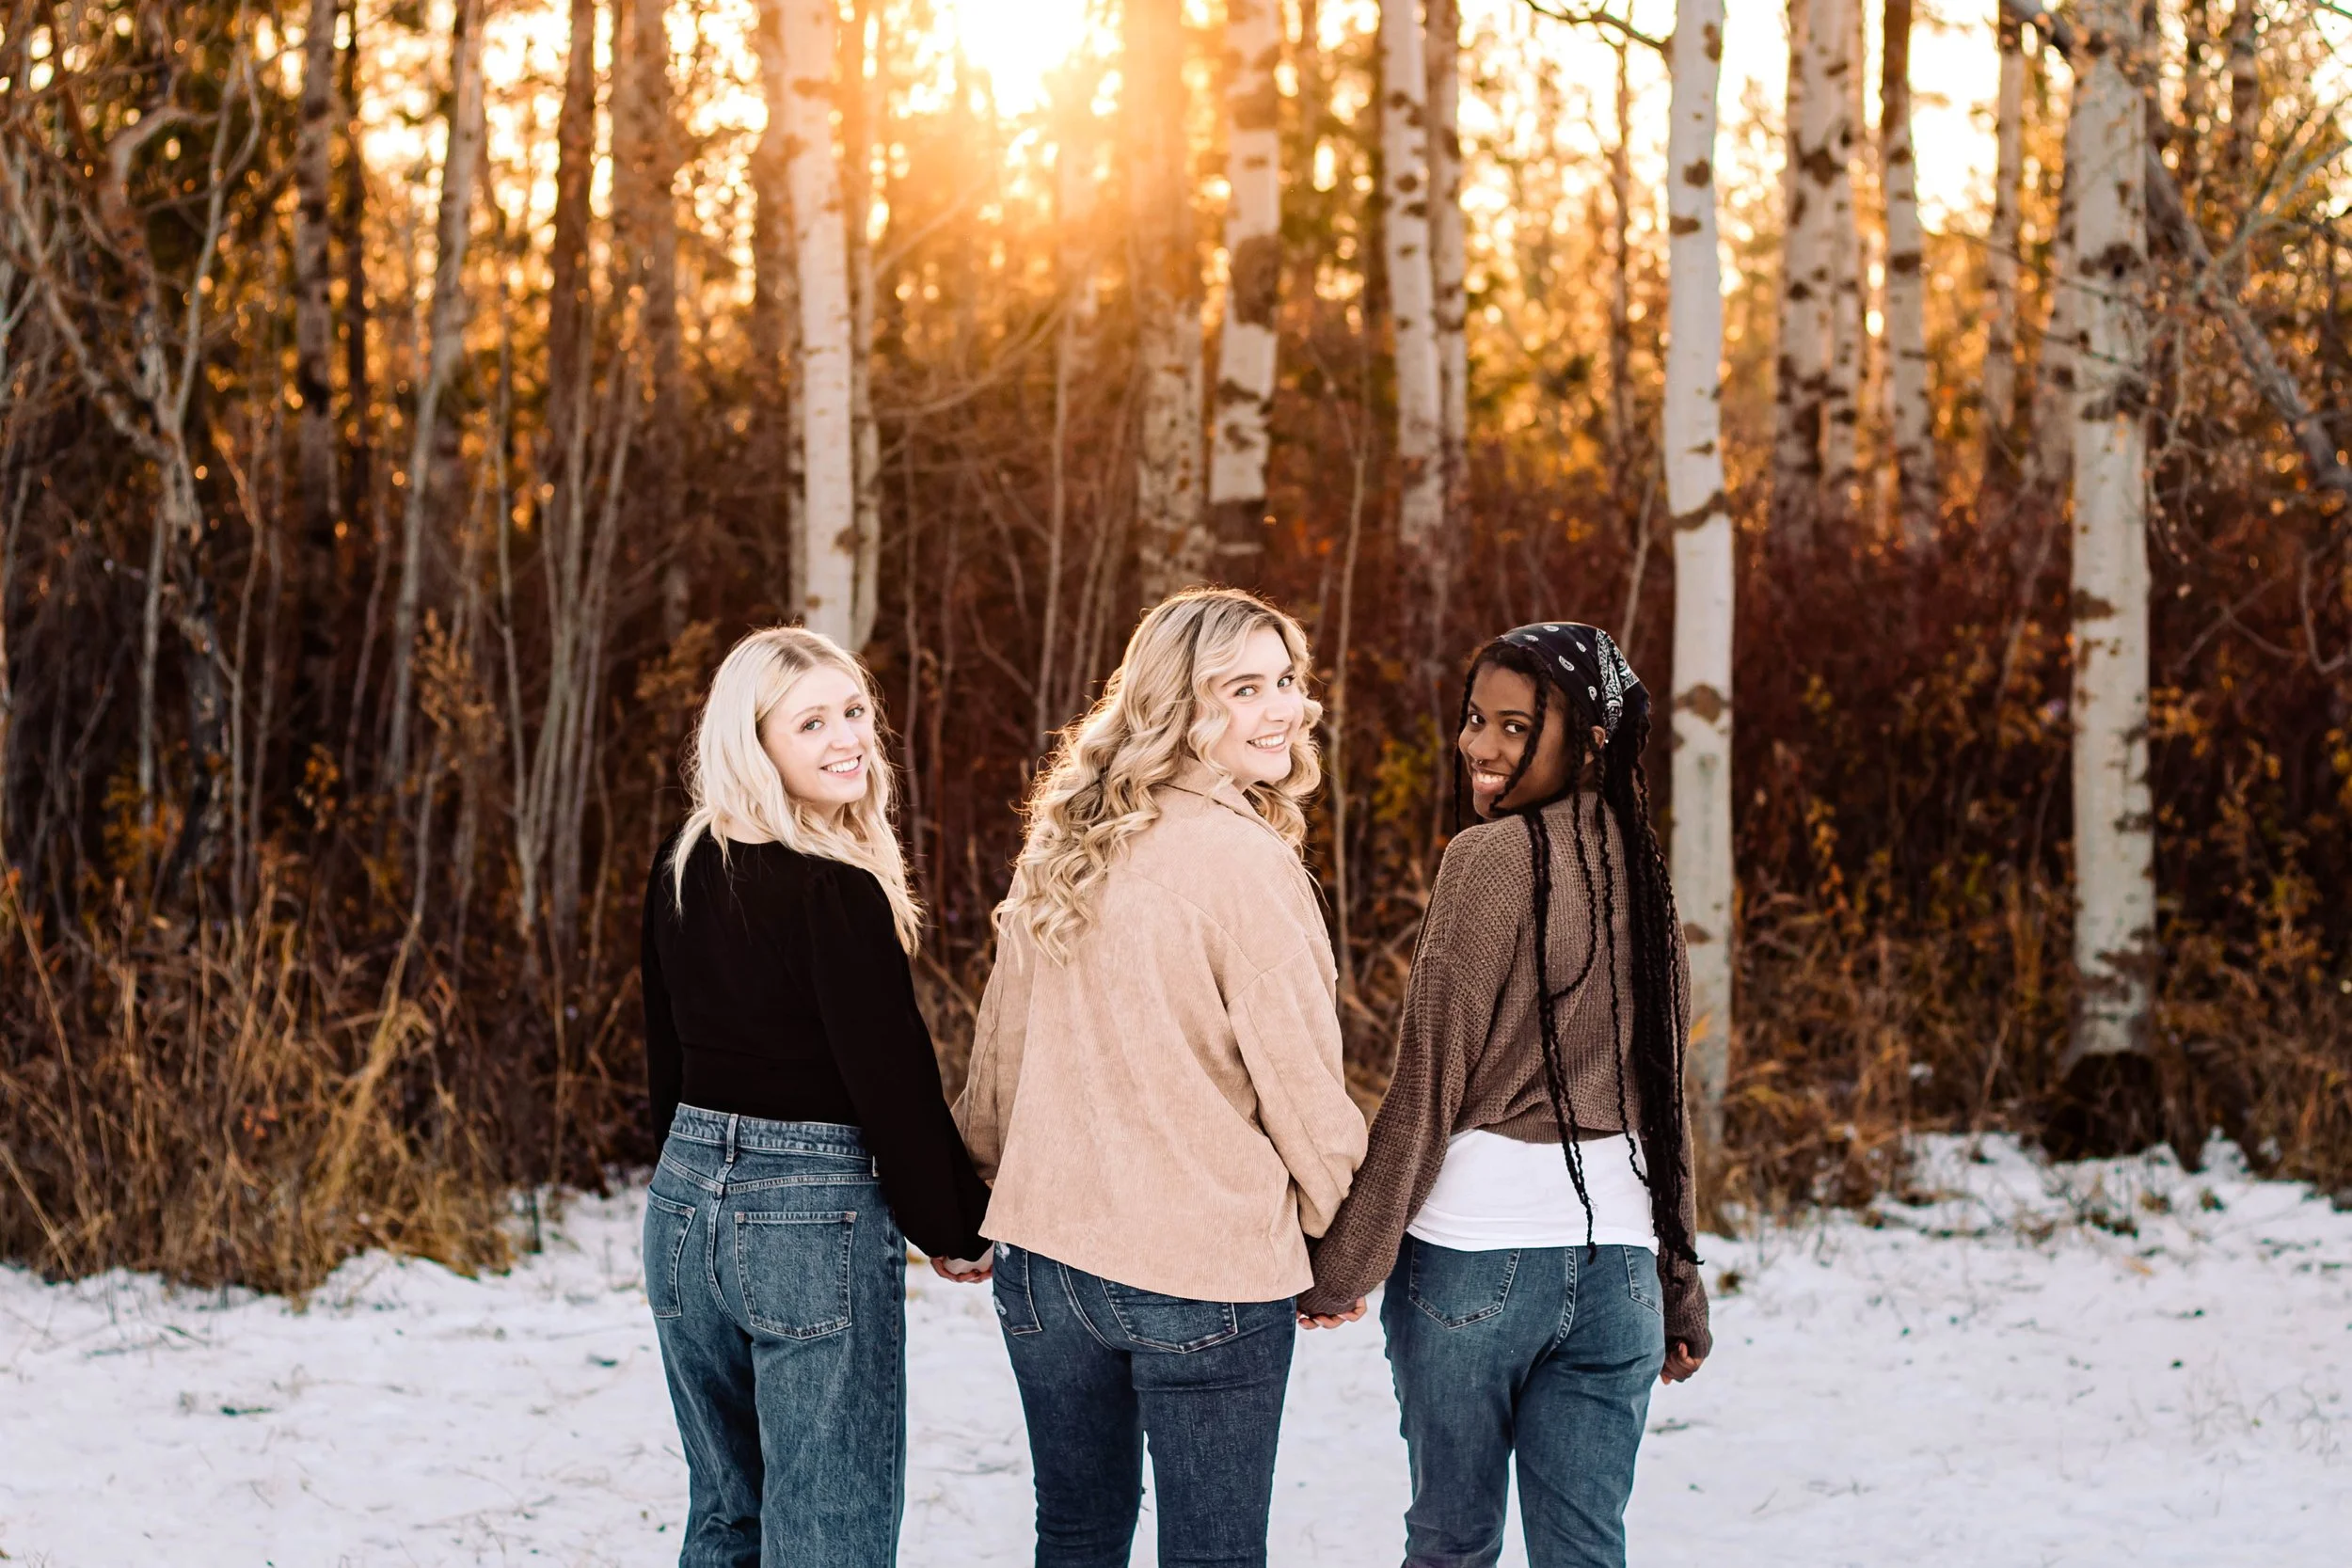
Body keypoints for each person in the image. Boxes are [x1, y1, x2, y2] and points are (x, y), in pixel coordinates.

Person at [956, 587, 1369, 1568]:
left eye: (1286, 681)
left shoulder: (1061, 845)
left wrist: (975, 1196)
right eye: (1243, 688)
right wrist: (1343, 1239)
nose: (1283, 710)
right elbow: (1304, 1090)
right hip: (1205, 1276)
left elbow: (997, 1055)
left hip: (1047, 1268)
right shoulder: (1250, 865)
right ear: (1177, 707)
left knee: (1077, 1536)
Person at [1296, 622, 1710, 1568]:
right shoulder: (1641, 872)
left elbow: (1425, 1086)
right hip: (1617, 1273)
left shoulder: (1486, 861)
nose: (1480, 745)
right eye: (1475, 718)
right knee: (1584, 1550)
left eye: (1516, 726)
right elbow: (1667, 1105)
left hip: (1473, 1269)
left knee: (1451, 1541)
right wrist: (1678, 1287)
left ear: (1589, 737)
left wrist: (1340, 1266)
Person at [639, 626, 992, 1568]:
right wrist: (956, 1225)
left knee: (727, 1511)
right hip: (805, 1217)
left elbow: (665, 1064)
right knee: (828, 1526)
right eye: (812, 723)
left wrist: (688, 1183)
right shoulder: (836, 890)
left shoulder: (682, 861)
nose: (848, 739)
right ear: (752, 744)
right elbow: (893, 1081)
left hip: (680, 1213)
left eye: (854, 711)